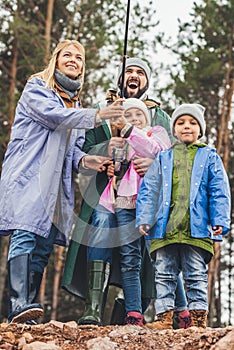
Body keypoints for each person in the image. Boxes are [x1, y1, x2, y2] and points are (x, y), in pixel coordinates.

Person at [0, 39, 124, 324]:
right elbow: (54, 117)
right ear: (55, 60)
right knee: (25, 236)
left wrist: (88, 161)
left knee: (42, 246)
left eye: (79, 57)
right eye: (67, 55)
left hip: (55, 187)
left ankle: (26, 311)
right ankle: (17, 303)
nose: (73, 60)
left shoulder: (74, 103)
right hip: (28, 176)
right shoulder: (37, 88)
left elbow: (73, 149)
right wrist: (98, 115)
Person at [62, 57, 189, 328]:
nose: (134, 76)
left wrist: (154, 165)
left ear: (146, 81)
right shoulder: (100, 110)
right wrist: (103, 153)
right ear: (121, 78)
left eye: (140, 72)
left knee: (149, 249)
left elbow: (170, 156)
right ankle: (93, 308)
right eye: (129, 71)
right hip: (105, 195)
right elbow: (81, 150)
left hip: (144, 200)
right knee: (101, 224)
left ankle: (137, 310)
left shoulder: (160, 117)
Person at [136, 103, 231, 329]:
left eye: (192, 123)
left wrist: (219, 219)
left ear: (201, 129)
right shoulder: (164, 158)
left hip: (195, 228)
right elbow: (150, 189)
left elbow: (219, 190)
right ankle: (164, 317)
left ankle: (198, 317)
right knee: (164, 274)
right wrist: (145, 217)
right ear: (174, 130)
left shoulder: (209, 156)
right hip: (164, 229)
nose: (186, 126)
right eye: (180, 123)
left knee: (195, 274)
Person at [83, 98, 171, 326]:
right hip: (120, 201)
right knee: (128, 256)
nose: (134, 119)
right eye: (129, 115)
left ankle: (175, 310)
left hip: (149, 204)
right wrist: (108, 156)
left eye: (139, 115)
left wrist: (132, 133)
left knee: (161, 254)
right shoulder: (119, 138)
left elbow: (159, 150)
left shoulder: (156, 130)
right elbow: (101, 157)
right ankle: (125, 311)